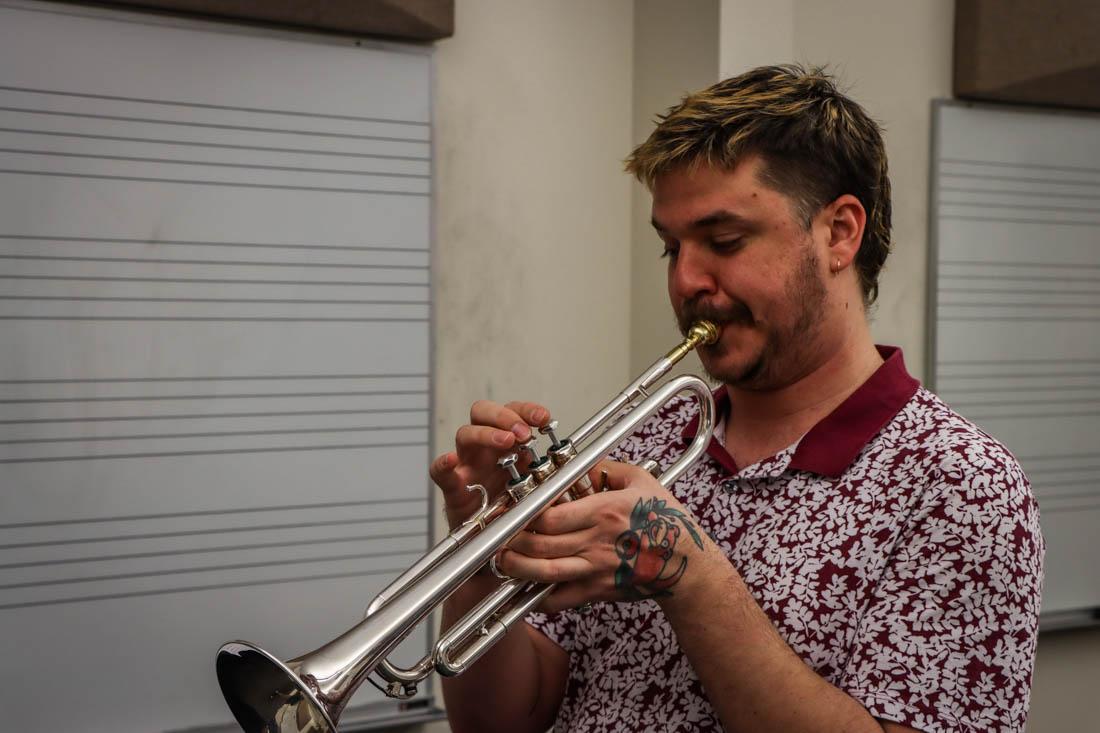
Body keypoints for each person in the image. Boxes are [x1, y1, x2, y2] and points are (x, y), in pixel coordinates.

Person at [429, 65, 1044, 733]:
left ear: (839, 232)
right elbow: (507, 718)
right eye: (670, 248)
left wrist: (689, 575)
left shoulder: (962, 483)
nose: (687, 280)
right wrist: (483, 558)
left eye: (724, 241)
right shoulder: (653, 439)